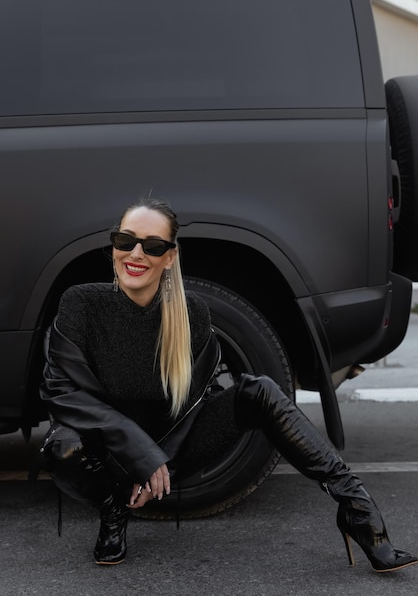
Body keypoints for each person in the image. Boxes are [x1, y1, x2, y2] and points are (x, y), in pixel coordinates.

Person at [40, 197, 417, 572]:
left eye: (152, 246)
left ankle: (357, 508)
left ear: (169, 256)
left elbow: (191, 407)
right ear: (114, 245)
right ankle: (112, 511)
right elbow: (63, 393)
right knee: (63, 446)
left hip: (170, 450)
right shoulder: (81, 305)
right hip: (108, 451)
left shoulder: (191, 315)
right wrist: (141, 456)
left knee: (261, 390)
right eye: (126, 241)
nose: (135, 254)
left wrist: (158, 461)